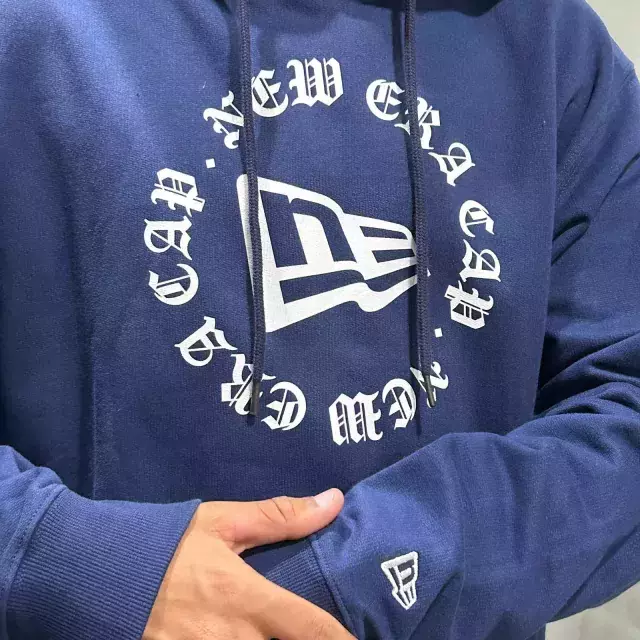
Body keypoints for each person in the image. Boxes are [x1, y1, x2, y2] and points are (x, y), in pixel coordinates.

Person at [0, 0, 638, 638]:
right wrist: (73, 562)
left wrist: (350, 576)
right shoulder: (30, 28)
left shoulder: (552, 42)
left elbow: (626, 404)